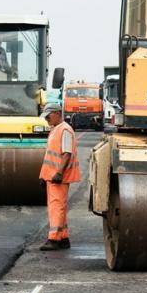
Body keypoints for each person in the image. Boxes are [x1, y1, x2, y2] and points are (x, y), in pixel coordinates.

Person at [38, 103, 80, 251]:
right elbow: (51, 156)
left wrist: (59, 173)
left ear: (56, 113)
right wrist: (44, 177)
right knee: (58, 206)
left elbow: (66, 153)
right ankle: (63, 238)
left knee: (56, 207)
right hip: (52, 176)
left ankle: (54, 239)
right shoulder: (55, 129)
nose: (47, 119)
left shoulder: (65, 130)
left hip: (58, 177)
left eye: (48, 116)